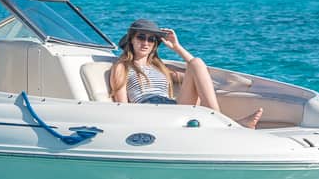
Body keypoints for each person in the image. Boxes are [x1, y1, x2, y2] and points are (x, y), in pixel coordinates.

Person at [108, 18, 262, 128]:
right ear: (131, 40)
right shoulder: (122, 66)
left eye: (151, 39)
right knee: (196, 63)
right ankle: (230, 125)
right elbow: (122, 105)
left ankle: (223, 122)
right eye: (141, 37)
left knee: (197, 62)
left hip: (173, 107)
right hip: (150, 111)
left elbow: (197, 69)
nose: (146, 42)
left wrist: (177, 47)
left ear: (155, 44)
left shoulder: (160, 67)